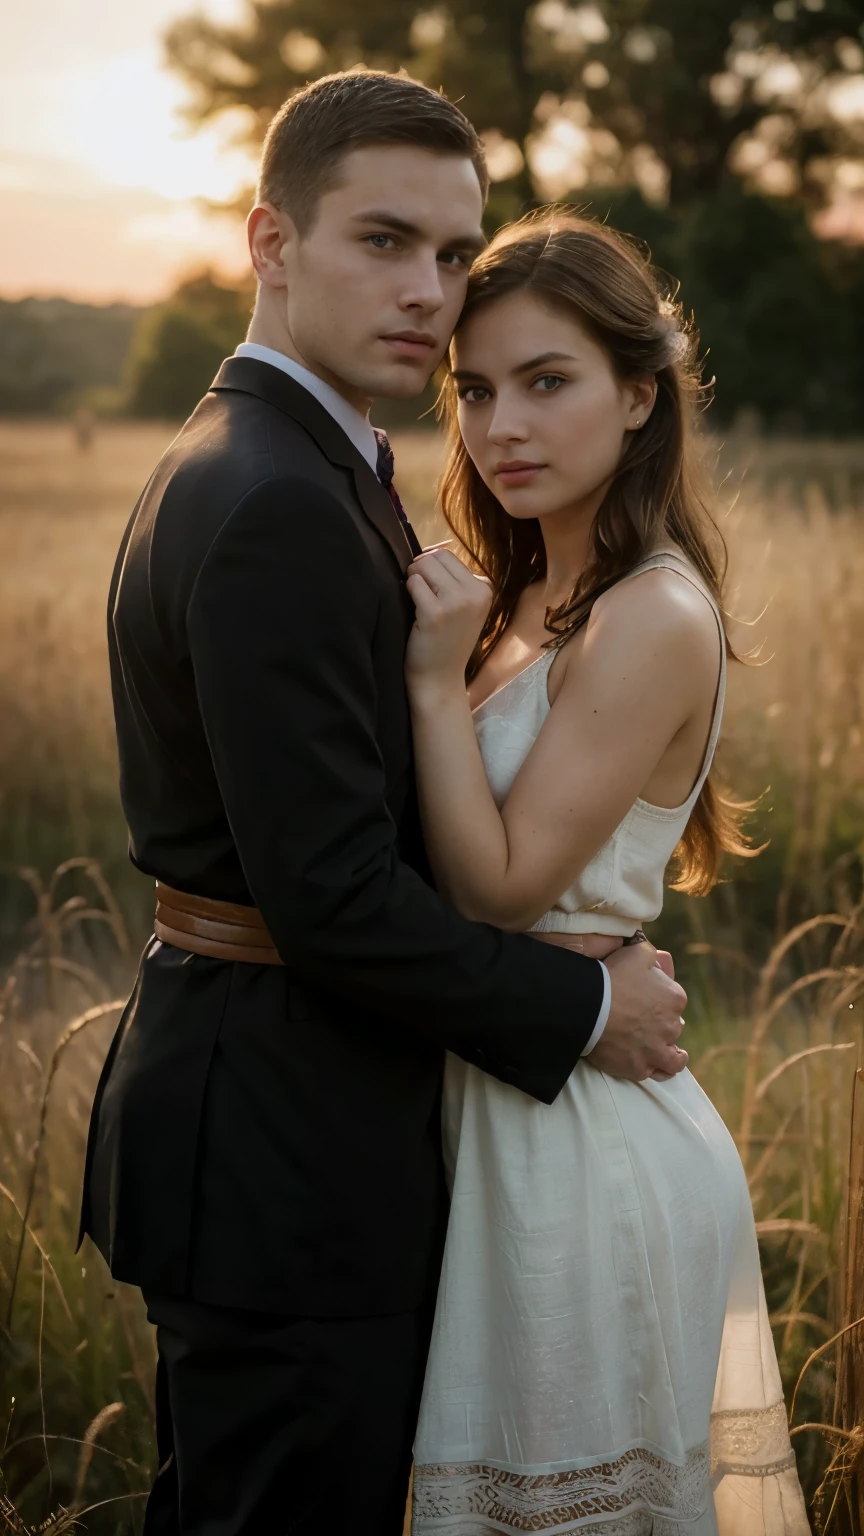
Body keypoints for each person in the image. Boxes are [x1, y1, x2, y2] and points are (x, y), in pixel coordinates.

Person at [77, 73, 687, 1536]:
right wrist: (585, 1011)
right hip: (285, 1147)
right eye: (383, 241)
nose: (428, 293)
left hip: (290, 1126)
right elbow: (332, 895)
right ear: (269, 242)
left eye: (454, 253)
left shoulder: (300, 460)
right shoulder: (276, 493)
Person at [406, 213, 809, 1534]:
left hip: (585, 1149)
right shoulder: (516, 598)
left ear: (640, 396)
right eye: (473, 388)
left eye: (547, 380)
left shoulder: (654, 613)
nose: (500, 424)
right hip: (510, 1094)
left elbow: (500, 889)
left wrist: (423, 683)